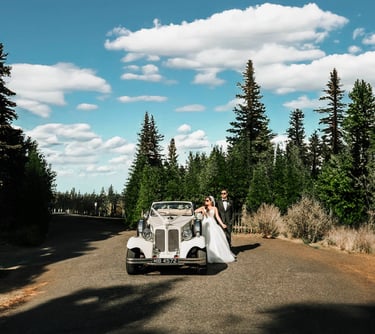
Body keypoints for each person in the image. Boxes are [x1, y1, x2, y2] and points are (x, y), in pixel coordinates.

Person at [195, 196, 236, 263]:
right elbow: (195, 211)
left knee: (214, 239)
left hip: (212, 224)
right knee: (204, 239)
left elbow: (217, 217)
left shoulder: (214, 208)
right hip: (205, 224)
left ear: (211, 201)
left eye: (207, 200)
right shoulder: (203, 207)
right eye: (205, 200)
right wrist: (202, 211)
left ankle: (216, 255)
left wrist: (222, 224)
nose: (206, 201)